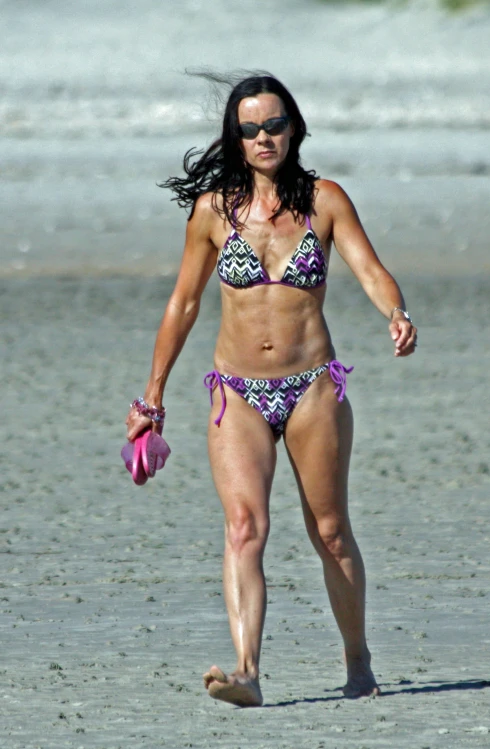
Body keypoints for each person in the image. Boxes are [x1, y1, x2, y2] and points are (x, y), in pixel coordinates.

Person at [125, 73, 417, 708]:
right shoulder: (212, 211)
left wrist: (395, 312)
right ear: (236, 136)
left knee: (331, 530)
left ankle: (358, 661)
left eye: (275, 124)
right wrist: (152, 397)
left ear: (294, 127)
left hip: (314, 387)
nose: (264, 137)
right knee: (243, 528)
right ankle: (248, 671)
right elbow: (183, 304)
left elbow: (371, 271)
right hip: (237, 393)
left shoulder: (326, 200)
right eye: (250, 128)